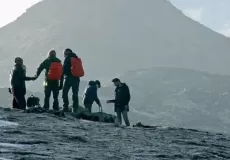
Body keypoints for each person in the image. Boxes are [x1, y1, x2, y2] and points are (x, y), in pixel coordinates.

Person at [61, 48, 85, 112]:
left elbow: (64, 69)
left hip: (68, 78)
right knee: (75, 94)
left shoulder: (67, 58)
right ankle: (75, 109)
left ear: (66, 53)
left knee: (64, 93)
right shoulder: (76, 58)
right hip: (77, 78)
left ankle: (65, 107)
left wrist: (62, 77)